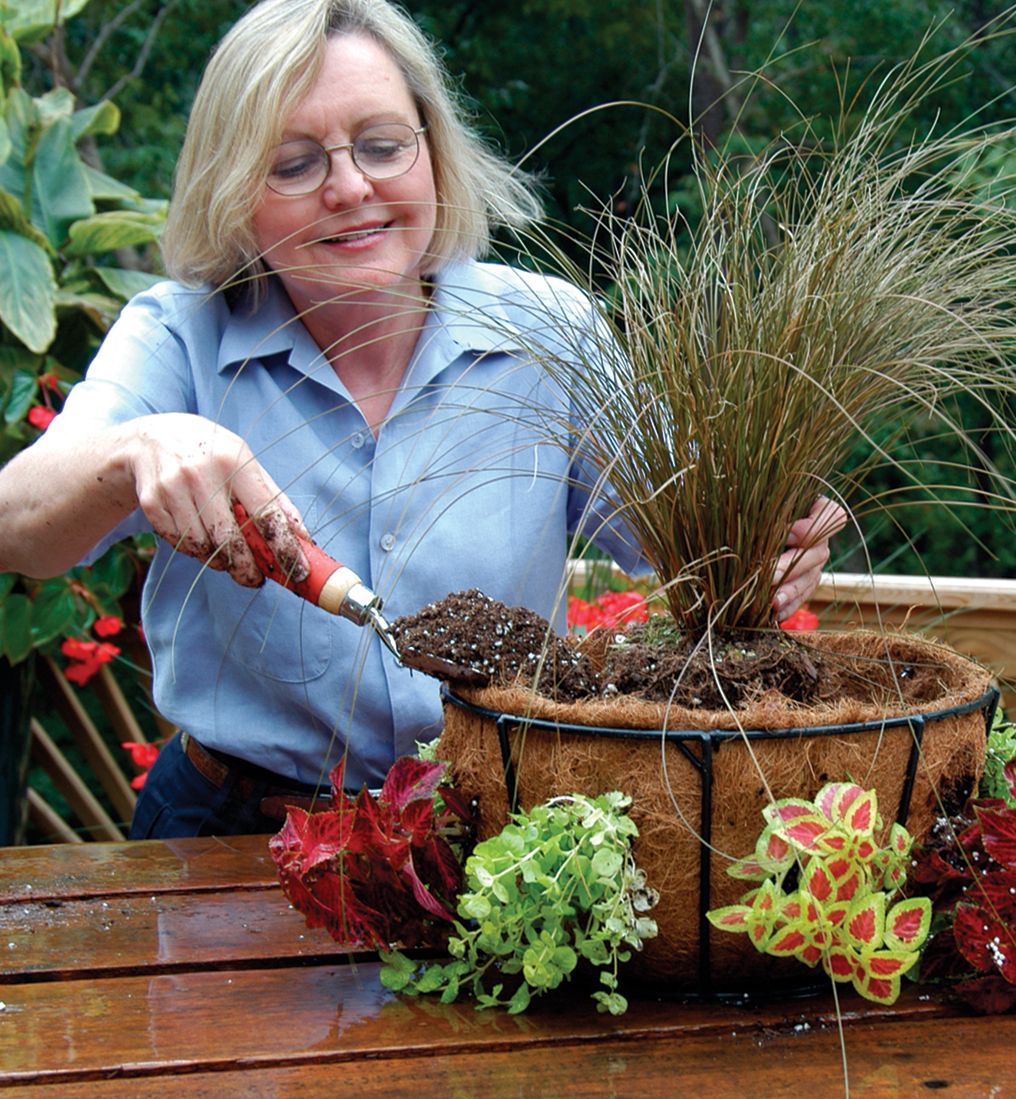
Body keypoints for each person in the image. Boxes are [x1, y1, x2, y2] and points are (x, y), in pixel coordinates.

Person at [0, 0, 844, 838]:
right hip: (232, 834)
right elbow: (19, 527)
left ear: (434, 153)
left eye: (382, 145)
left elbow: (685, 542)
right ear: (232, 188)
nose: (350, 187)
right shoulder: (180, 333)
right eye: (293, 164)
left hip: (502, 834)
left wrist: (766, 549)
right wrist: (135, 448)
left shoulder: (550, 331)